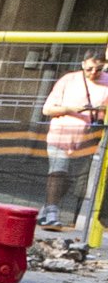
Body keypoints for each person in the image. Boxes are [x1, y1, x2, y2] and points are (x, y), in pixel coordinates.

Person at [40, 49, 107, 245]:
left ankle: (51, 208)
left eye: (98, 69)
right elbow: (47, 109)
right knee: (58, 172)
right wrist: (70, 109)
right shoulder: (68, 80)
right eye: (89, 69)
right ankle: (51, 210)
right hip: (61, 134)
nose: (93, 73)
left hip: (89, 140)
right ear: (82, 64)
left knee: (75, 180)